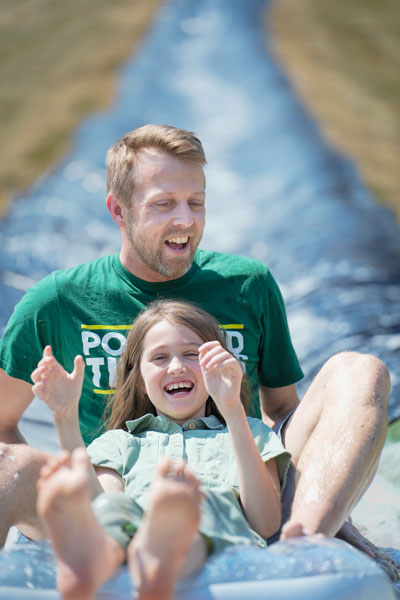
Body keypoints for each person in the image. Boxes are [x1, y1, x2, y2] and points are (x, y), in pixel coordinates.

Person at [0, 125, 394, 575]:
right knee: (6, 464)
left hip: (235, 483)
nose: (185, 220)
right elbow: (2, 421)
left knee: (361, 369)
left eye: (197, 202)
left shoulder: (248, 285)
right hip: (111, 494)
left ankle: (305, 541)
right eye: (164, 204)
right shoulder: (56, 302)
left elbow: (283, 409)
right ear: (119, 211)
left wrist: (320, 490)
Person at [33, 299, 291, 600]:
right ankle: (95, 561)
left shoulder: (248, 432)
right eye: (160, 358)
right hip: (134, 531)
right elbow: (104, 501)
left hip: (220, 544)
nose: (177, 367)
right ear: (140, 381)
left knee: (200, 505)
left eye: (192, 354)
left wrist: (232, 407)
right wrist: (65, 419)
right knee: (112, 510)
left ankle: (162, 553)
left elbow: (266, 522)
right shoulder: (119, 442)